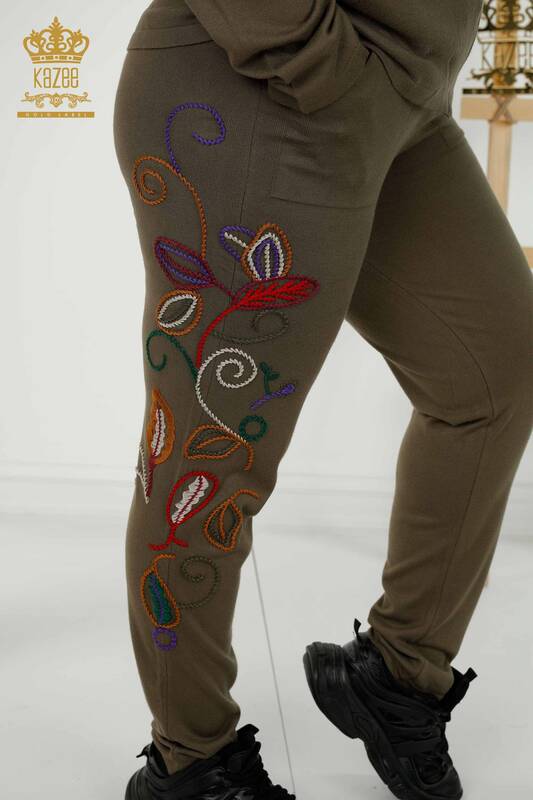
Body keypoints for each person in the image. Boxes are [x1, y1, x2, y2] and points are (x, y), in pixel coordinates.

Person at [113, 2, 533, 799]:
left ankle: (398, 673)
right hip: (261, 90)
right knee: (212, 452)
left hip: (399, 99)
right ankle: (191, 763)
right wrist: (325, 65)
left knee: (494, 371)